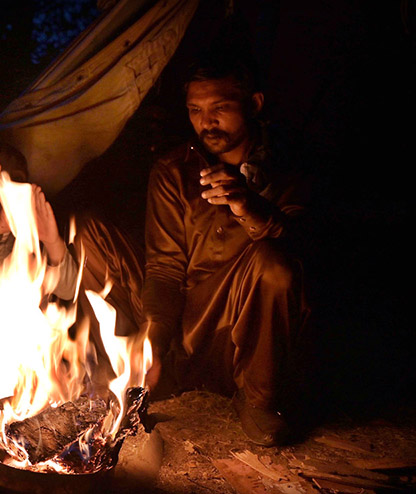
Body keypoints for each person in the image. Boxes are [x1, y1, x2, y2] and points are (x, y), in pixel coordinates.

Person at [142, 49, 311, 446]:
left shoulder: (290, 169)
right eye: (195, 109)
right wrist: (153, 344)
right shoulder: (175, 171)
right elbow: (165, 268)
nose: (207, 121)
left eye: (220, 107)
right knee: (93, 236)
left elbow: (306, 249)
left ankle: (258, 400)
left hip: (259, 330)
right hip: (194, 325)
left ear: (253, 105)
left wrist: (248, 206)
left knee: (273, 262)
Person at [0, 139, 136, 406]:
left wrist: (53, 241)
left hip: (19, 364)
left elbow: (69, 289)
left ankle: (36, 385)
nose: (9, 190)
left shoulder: (33, 233)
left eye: (17, 180)